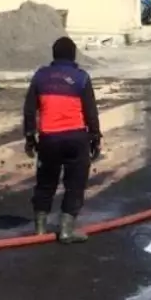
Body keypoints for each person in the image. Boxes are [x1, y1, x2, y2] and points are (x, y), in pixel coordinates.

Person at [23, 35, 102, 242]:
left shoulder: (40, 76)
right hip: (76, 137)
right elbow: (90, 111)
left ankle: (40, 229)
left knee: (45, 182)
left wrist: (30, 137)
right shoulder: (81, 77)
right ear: (73, 55)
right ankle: (66, 230)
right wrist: (95, 137)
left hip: (49, 138)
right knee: (75, 183)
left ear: (54, 55)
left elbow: (30, 109)